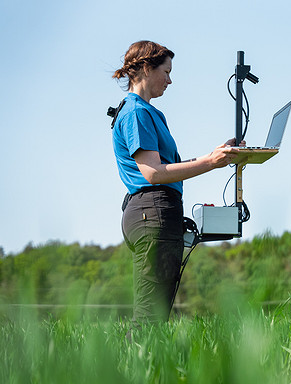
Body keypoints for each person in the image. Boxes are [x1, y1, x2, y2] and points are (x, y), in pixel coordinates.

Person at [111, 40, 243, 324]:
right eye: (166, 71)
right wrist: (211, 163)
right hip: (152, 211)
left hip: (156, 211)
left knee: (156, 315)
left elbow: (164, 165)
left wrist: (215, 154)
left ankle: (148, 367)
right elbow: (153, 173)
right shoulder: (136, 112)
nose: (170, 80)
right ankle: (130, 367)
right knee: (149, 316)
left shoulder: (150, 113)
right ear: (146, 68)